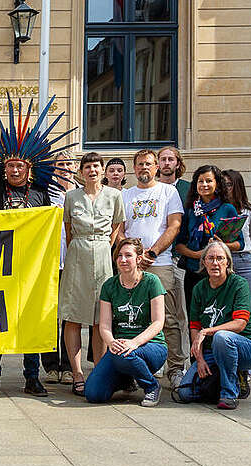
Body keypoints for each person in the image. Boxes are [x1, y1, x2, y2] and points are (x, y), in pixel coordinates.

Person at [0, 98, 73, 398]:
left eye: (20, 166)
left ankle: (32, 376)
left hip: (32, 270)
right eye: (10, 165)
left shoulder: (42, 195)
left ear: (29, 169)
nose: (14, 170)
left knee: (31, 321)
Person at [121, 149, 188, 390]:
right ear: (134, 168)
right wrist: (129, 254)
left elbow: (174, 225)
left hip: (160, 264)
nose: (144, 168)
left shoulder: (168, 192)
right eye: (139, 164)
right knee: (132, 317)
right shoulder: (126, 195)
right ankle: (137, 368)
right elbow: (119, 228)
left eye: (148, 164)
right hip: (131, 266)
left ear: (156, 167)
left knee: (168, 318)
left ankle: (176, 367)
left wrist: (151, 253)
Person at [60, 152, 125, 396]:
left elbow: (117, 226)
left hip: (102, 254)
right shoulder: (71, 196)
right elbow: (68, 230)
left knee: (101, 317)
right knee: (73, 315)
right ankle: (77, 372)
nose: (92, 171)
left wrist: (104, 247)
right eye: (87, 167)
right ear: (81, 171)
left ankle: (98, 370)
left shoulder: (114, 196)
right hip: (78, 252)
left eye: (96, 166)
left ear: (102, 170)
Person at [174, 239, 251, 409]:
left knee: (222, 337)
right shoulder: (199, 288)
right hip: (212, 350)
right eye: (211, 258)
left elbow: (240, 323)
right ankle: (229, 379)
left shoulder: (239, 284)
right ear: (204, 262)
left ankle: (229, 394)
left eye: (220, 258)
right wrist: (199, 360)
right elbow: (194, 327)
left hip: (247, 346)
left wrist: (207, 331)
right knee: (185, 393)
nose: (215, 263)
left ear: (228, 262)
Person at [84, 238, 166, 406]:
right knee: (94, 394)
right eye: (119, 256)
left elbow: (158, 322)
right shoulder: (109, 286)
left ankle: (152, 386)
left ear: (138, 258)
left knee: (125, 355)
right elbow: (105, 325)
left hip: (151, 346)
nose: (122, 260)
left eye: (128, 255)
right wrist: (111, 342)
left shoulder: (152, 282)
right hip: (119, 348)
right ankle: (125, 378)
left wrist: (134, 343)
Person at [174, 164, 241, 337]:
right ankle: (197, 359)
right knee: (194, 317)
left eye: (208, 181)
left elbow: (239, 244)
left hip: (219, 273)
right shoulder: (190, 210)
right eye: (200, 181)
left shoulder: (227, 208)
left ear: (217, 184)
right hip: (194, 271)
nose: (204, 184)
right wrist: (197, 255)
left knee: (218, 315)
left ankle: (216, 356)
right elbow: (179, 244)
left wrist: (222, 244)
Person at [44, 149, 78, 384]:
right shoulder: (45, 191)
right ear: (54, 168)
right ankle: (50, 365)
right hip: (50, 260)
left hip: (74, 261)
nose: (65, 166)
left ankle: (68, 366)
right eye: (60, 163)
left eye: (68, 163)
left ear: (75, 167)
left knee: (70, 316)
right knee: (47, 314)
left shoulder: (82, 192)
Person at [222, 169, 251, 318]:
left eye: (229, 185)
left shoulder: (250, 212)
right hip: (222, 261)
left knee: (249, 306)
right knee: (224, 306)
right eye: (223, 184)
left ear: (237, 186)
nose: (225, 188)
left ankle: (249, 339)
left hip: (244, 261)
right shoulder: (218, 210)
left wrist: (248, 256)